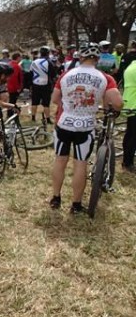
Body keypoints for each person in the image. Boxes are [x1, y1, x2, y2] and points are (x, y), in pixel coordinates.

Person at [49, 44, 123, 213]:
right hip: (86, 125)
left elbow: (54, 98)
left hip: (65, 123)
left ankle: (55, 197)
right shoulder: (105, 77)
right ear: (97, 59)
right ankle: (75, 204)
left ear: (80, 57)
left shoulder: (66, 74)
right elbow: (117, 103)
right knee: (80, 164)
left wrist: (67, 106)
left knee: (60, 160)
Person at [30, 46, 55, 124]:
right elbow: (53, 74)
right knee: (46, 103)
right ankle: (48, 119)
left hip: (35, 84)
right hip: (46, 84)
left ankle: (33, 118)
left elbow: (30, 72)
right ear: (48, 53)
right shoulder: (49, 62)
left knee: (34, 102)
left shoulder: (34, 61)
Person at [121, 58, 136, 173]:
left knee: (130, 133)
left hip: (130, 103)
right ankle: (128, 162)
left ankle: (127, 161)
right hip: (134, 104)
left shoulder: (131, 66)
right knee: (133, 136)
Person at [7, 52, 23, 116]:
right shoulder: (16, 66)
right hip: (14, 86)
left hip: (8, 85)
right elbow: (17, 78)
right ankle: (11, 112)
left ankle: (13, 111)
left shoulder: (8, 64)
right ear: (18, 57)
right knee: (12, 100)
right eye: (20, 57)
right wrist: (19, 87)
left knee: (12, 99)